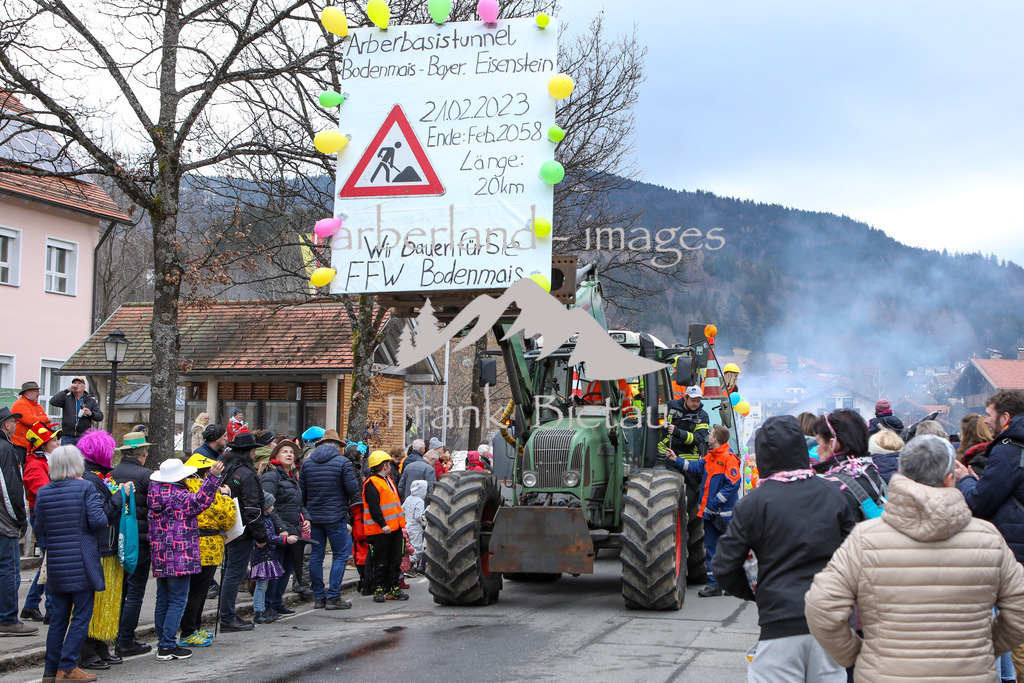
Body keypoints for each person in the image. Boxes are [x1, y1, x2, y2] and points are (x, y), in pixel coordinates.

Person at [805, 435, 1024, 681]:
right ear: (950, 479)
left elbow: (821, 606)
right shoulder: (987, 538)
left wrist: (856, 655)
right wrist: (982, 649)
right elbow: (1019, 609)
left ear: (900, 474)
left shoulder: (865, 539)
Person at [712, 415, 854, 682]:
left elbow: (723, 567)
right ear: (801, 448)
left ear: (763, 455)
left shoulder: (753, 503)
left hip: (780, 622)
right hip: (829, 623)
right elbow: (856, 559)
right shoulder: (833, 494)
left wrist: (758, 593)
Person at [33, 445, 108, 682]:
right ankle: (67, 667)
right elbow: (98, 521)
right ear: (77, 465)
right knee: (81, 617)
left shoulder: (43, 492)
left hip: (56, 562)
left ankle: (50, 670)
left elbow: (39, 528)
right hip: (82, 561)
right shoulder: (85, 487)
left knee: (58, 619)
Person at [148, 457, 226, 661]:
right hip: (180, 554)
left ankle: (162, 642)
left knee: (163, 600)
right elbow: (201, 500)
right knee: (177, 600)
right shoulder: (180, 496)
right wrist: (213, 478)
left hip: (160, 554)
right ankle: (167, 645)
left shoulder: (155, 495)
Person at [666, 424, 741, 597]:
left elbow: (733, 484)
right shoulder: (710, 457)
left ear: (715, 439)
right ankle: (714, 585)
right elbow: (694, 467)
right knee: (711, 548)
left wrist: (714, 503)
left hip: (724, 515)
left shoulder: (729, 458)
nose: (708, 436)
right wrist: (675, 459)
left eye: (710, 434)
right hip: (710, 514)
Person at [76, 429, 128, 671]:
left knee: (106, 602)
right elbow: (101, 514)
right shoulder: (90, 479)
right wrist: (120, 495)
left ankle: (99, 647)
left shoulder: (97, 476)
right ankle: (87, 652)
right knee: (97, 602)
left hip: (107, 547)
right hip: (99, 548)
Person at [178, 453, 235, 647]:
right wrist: (226, 496)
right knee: (198, 591)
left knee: (193, 590)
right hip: (208, 545)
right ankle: (189, 630)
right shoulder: (209, 490)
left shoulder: (183, 487)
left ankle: (194, 627)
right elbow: (227, 518)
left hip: (188, 543)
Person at [299, 438, 360, 610]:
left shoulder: (307, 464)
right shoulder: (343, 463)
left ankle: (319, 597)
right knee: (340, 555)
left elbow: (302, 493)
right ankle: (333, 596)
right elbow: (352, 489)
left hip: (314, 516)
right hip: (336, 516)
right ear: (338, 447)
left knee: (316, 556)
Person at [109, 431, 154, 658]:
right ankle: (125, 639)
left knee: (120, 590)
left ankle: (115, 633)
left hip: (115, 539)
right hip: (139, 540)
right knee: (135, 591)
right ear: (142, 454)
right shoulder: (146, 475)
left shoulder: (111, 473)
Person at [218, 431, 266, 632]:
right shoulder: (247, 474)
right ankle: (227, 617)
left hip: (227, 527)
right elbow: (252, 508)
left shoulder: (227, 470)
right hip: (242, 530)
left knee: (229, 571)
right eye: (253, 450)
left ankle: (227, 614)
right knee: (234, 573)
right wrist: (260, 535)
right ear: (248, 451)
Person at [259, 440, 312, 609]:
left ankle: (277, 602)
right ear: (276, 455)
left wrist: (306, 519)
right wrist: (281, 528)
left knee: (287, 568)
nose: (289, 454)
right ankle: (268, 605)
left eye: (291, 452)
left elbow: (299, 504)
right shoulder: (271, 477)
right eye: (285, 451)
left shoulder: (293, 477)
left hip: (293, 529)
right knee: (276, 569)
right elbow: (267, 505)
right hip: (278, 532)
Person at [813, 410, 887, 521]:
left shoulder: (830, 486)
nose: (817, 449)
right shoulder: (874, 472)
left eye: (818, 442)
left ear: (833, 444)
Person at [21, 422, 60, 624]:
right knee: (51, 562)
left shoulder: (46, 461)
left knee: (48, 562)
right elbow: (44, 493)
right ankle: (51, 610)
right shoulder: (35, 465)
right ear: (43, 445)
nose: (58, 442)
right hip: (43, 515)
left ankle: (31, 605)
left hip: (48, 514)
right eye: (54, 440)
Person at [0, 406, 34, 637]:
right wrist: (20, 519)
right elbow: (10, 489)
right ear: (6, 425)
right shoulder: (6, 449)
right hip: (4, 521)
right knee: (9, 571)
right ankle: (7, 619)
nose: (15, 425)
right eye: (13, 422)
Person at [362, 451, 409, 603]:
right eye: (388, 464)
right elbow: (374, 507)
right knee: (380, 561)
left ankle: (392, 588)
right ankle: (378, 589)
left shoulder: (387, 480)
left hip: (394, 528)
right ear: (384, 466)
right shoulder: (372, 483)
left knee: (395, 560)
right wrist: (382, 524)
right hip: (380, 530)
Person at [250, 492, 294, 624]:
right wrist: (285, 540)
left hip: (266, 556)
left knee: (263, 586)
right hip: (262, 557)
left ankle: (262, 610)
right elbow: (268, 538)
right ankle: (259, 611)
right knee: (261, 586)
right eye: (271, 505)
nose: (273, 507)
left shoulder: (265, 519)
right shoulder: (263, 521)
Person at [49, 378, 103, 446]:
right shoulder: (67, 399)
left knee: (82, 453)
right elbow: (53, 401)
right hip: (67, 436)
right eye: (74, 383)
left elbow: (100, 416)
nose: (76, 385)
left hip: (83, 437)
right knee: (67, 453)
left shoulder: (90, 401)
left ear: (84, 387)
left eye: (79, 383)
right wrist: (67, 390)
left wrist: (91, 413)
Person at [11, 381, 49, 462]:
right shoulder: (20, 404)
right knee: (19, 468)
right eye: (36, 391)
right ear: (28, 393)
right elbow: (29, 420)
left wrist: (43, 420)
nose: (39, 393)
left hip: (32, 446)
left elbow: (45, 424)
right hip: (20, 446)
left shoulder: (37, 406)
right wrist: (46, 419)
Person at [401, 479, 427, 574]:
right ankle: (409, 568)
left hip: (407, 525)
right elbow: (418, 516)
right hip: (416, 528)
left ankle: (406, 566)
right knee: (417, 549)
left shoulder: (408, 498)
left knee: (408, 548)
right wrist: (424, 521)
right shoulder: (420, 501)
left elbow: (402, 510)